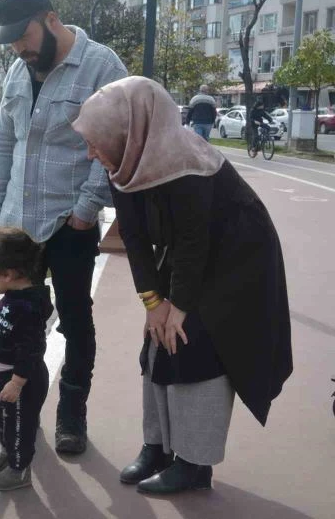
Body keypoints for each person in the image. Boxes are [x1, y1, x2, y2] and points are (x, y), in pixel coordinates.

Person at [72, 76, 292, 494]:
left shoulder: (186, 162)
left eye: (97, 141)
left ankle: (194, 463)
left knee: (194, 342)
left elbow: (195, 239)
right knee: (157, 336)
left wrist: (181, 305)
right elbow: (134, 238)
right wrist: (153, 302)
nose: (91, 152)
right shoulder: (125, 161)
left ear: (128, 131)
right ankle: (158, 446)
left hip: (240, 255)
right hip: (195, 252)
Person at [0, 0, 128, 454]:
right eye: (9, 42)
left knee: (75, 322)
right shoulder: (16, 70)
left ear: (50, 18)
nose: (18, 49)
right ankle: (20, 410)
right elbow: (4, 138)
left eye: (22, 36)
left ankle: (71, 415)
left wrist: (85, 213)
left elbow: (111, 146)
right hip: (18, 222)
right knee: (17, 323)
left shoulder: (102, 67)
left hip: (69, 223)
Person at [0, 227, 54, 491]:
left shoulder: (27, 308)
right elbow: (7, 330)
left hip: (21, 381)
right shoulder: (13, 296)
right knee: (6, 419)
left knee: (20, 425)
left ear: (8, 274)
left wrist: (17, 383)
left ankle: (19, 470)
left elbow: (32, 349)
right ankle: (9, 454)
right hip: (5, 375)